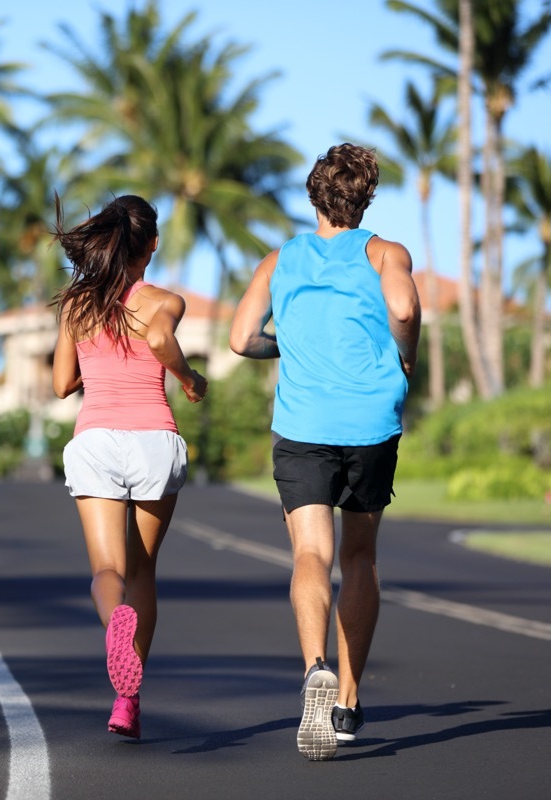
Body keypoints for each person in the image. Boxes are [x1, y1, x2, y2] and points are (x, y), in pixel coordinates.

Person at [229, 143, 421, 761]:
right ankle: (348, 702)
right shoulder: (386, 252)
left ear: (314, 196)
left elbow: (240, 339)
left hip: (303, 423)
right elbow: (403, 306)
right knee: (360, 556)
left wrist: (288, 346)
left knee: (311, 552)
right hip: (370, 424)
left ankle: (316, 667)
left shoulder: (278, 260)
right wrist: (406, 355)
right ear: (366, 198)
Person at [51, 193, 208, 739]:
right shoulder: (165, 300)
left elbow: (60, 384)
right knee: (144, 571)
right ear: (153, 245)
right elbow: (161, 339)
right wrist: (190, 380)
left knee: (108, 573)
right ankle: (128, 701)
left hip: (96, 439)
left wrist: (91, 370)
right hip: (153, 442)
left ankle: (113, 624)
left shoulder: (78, 305)